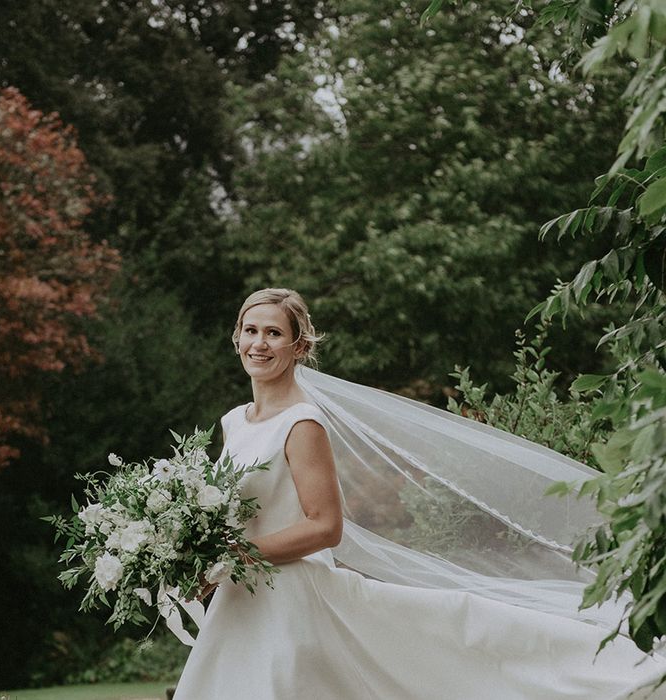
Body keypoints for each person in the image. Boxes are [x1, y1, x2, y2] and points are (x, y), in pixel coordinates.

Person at [172, 288, 666, 700]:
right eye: (251, 331)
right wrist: (198, 555)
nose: (260, 343)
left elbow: (325, 526)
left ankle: (599, 663)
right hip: (242, 594)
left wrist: (235, 557)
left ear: (299, 347)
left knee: (450, 631)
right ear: (236, 337)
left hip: (289, 595)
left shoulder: (302, 423)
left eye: (274, 333)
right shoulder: (234, 421)